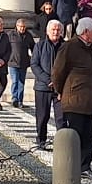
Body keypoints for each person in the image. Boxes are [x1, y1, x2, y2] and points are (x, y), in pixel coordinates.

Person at [52, 17, 92, 174]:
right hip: (74, 101)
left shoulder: (90, 47)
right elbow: (58, 72)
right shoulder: (69, 47)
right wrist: (60, 91)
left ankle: (85, 167)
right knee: (75, 136)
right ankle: (72, 167)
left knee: (88, 136)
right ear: (86, 32)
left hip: (89, 101)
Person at [31, 19, 65, 150]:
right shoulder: (39, 46)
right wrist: (47, 79)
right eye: (53, 30)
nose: (55, 32)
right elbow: (34, 65)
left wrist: (59, 82)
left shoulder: (65, 46)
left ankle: (62, 143)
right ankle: (41, 140)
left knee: (61, 118)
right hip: (43, 87)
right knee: (42, 116)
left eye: (58, 30)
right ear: (47, 31)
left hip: (60, 89)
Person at [7, 17, 35, 109]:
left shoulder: (28, 35)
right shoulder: (11, 35)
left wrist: (33, 57)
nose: (22, 28)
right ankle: (14, 99)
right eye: (20, 27)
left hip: (24, 62)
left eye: (24, 27)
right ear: (17, 26)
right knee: (15, 81)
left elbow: (33, 48)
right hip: (13, 62)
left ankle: (20, 100)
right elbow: (5, 47)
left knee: (21, 82)